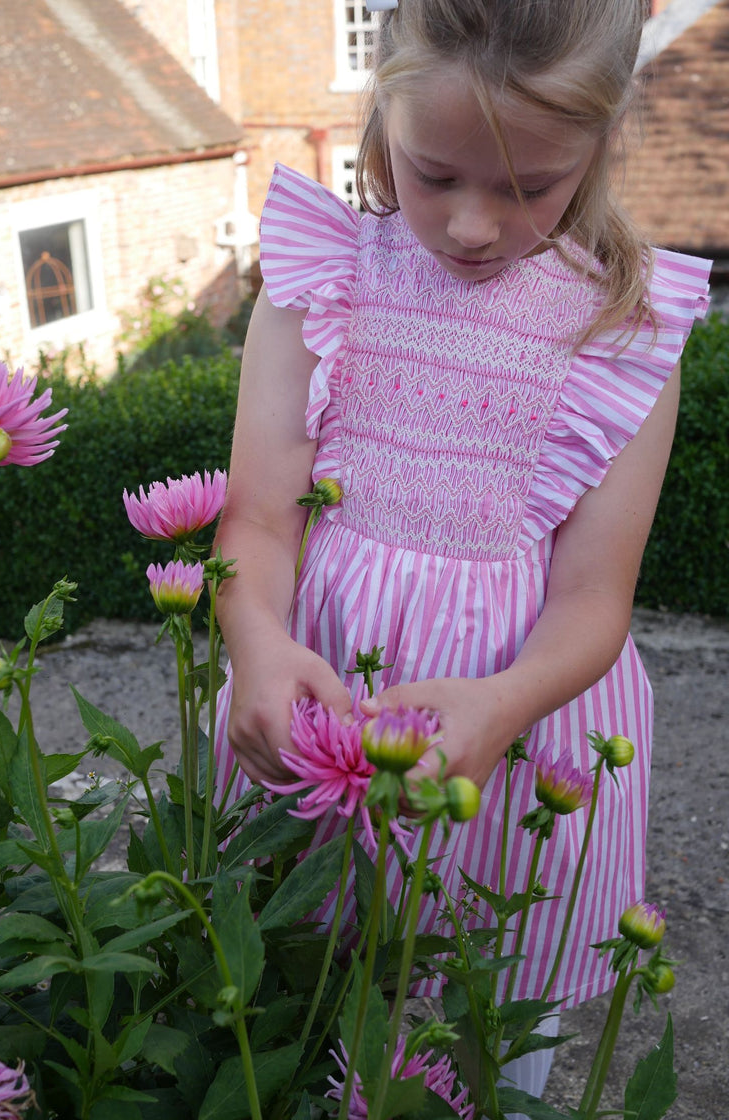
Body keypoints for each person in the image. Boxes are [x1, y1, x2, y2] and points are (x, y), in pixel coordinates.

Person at [212, 0, 711, 1106]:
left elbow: (592, 601)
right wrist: (253, 641)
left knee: (492, 1049)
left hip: (518, 743)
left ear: (601, 140)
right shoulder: (320, 277)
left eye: (529, 187)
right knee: (291, 1018)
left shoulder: (622, 329)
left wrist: (502, 704)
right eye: (434, 173)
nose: (474, 225)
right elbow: (254, 518)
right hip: (322, 707)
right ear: (380, 104)